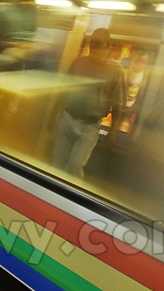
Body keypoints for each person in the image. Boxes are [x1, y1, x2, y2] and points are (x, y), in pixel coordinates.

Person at [53, 28, 126, 179]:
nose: (95, 47)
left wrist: (112, 133)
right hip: (68, 118)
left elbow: (118, 104)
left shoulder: (116, 71)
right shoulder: (78, 61)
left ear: (108, 46)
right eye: (92, 43)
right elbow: (63, 89)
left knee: (75, 165)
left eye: (99, 44)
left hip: (90, 126)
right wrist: (54, 115)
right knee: (57, 164)